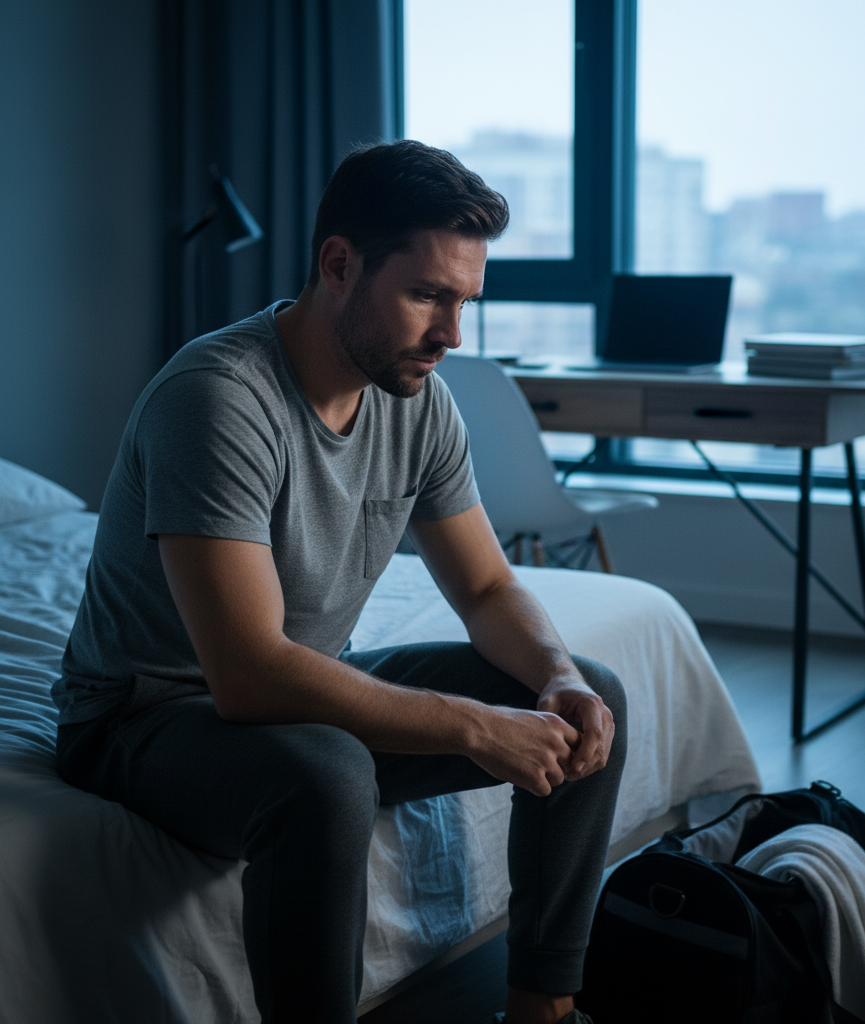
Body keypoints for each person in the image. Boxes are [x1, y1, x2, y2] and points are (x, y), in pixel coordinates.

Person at [52, 140, 626, 1024]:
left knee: (588, 694)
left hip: (303, 690)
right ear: (338, 265)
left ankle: (541, 1005)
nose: (452, 334)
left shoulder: (416, 397)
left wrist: (551, 675)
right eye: (428, 295)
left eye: (465, 301)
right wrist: (476, 727)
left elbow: (482, 589)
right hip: (149, 716)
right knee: (324, 774)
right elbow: (247, 677)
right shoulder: (218, 398)